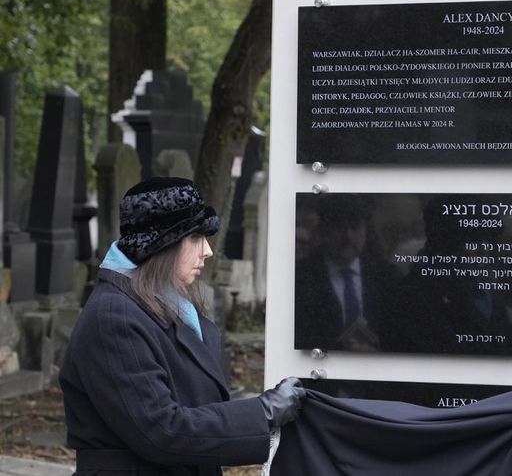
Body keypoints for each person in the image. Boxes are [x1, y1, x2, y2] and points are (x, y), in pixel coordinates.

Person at [59, 177, 306, 475]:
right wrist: (263, 413)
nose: (208, 251)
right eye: (195, 238)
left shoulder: (165, 303)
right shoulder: (115, 317)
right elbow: (162, 430)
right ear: (163, 241)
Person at [294, 193, 401, 351]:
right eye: (339, 227)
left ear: (365, 230)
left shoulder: (386, 276)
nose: (348, 236)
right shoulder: (301, 277)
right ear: (324, 230)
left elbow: (400, 334)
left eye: (355, 227)